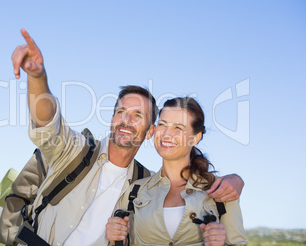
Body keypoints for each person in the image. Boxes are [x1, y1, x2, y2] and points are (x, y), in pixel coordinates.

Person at [11, 28, 245, 245]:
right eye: (121, 112)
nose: (126, 120)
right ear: (112, 119)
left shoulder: (142, 185)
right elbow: (48, 123)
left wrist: (236, 179)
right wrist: (38, 77)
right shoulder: (75, 152)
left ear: (148, 132)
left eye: (137, 115)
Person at [106, 97, 248, 246]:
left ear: (195, 138)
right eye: (162, 124)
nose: (167, 134)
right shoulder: (133, 192)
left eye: (178, 128)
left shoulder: (222, 190)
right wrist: (116, 238)